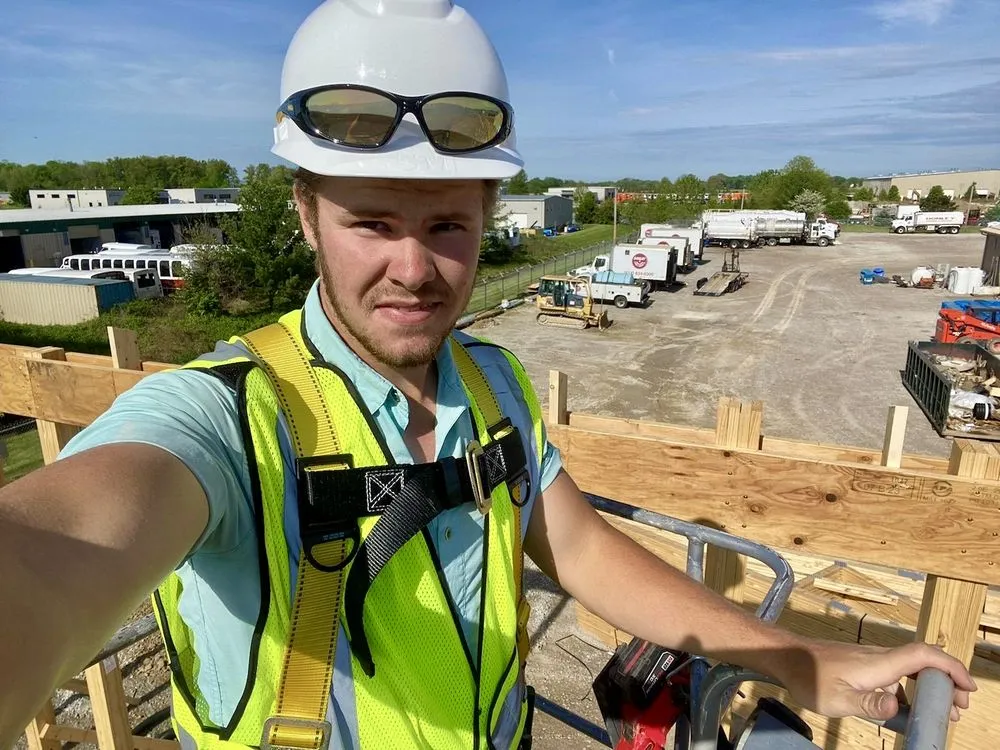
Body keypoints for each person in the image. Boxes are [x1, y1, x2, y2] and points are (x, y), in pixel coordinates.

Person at [0, 1, 976, 748]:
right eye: (371, 223)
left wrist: (799, 658)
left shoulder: (495, 386)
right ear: (303, 211)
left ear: (486, 216)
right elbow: (52, 549)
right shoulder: (221, 418)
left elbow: (583, 554)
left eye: (446, 226)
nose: (415, 270)